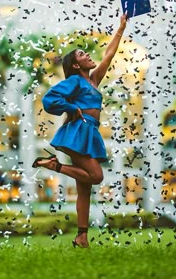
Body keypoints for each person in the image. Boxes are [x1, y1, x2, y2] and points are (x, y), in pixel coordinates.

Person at [32, 14, 128, 248]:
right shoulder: (75, 81)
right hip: (78, 131)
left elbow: (109, 55)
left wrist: (121, 28)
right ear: (76, 65)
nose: (88, 55)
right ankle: (55, 165)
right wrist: (71, 107)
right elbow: (50, 98)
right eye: (82, 55)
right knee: (96, 177)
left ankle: (81, 237)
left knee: (84, 189)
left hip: (89, 132)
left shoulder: (93, 80)